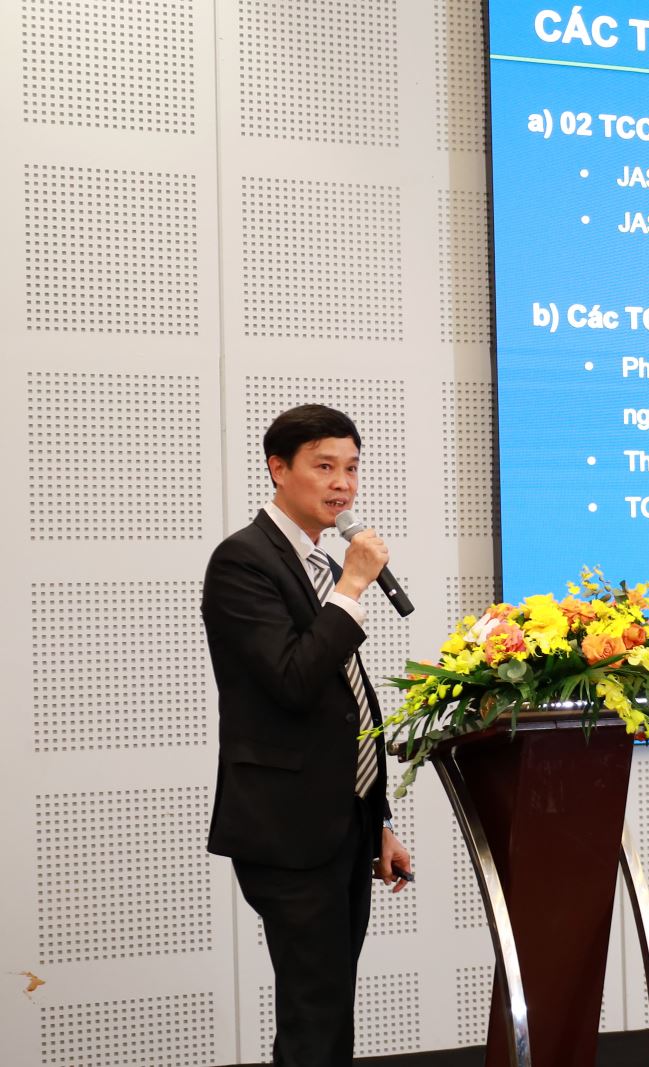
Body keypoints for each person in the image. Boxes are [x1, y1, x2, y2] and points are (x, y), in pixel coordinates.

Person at [203, 403, 413, 1066]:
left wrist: (375, 820)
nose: (342, 484)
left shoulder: (316, 564)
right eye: (324, 466)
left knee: (328, 1007)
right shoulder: (243, 561)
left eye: (351, 468)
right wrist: (352, 584)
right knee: (314, 1014)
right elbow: (294, 680)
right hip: (287, 830)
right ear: (278, 468)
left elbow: (342, 707)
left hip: (341, 824)